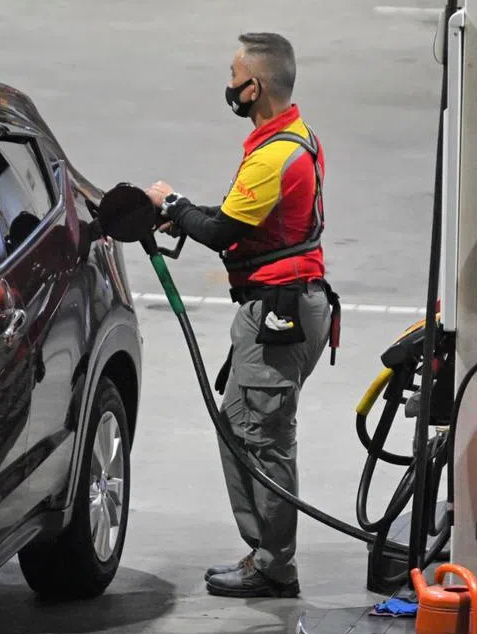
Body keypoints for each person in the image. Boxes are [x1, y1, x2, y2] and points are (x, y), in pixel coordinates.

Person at [144, 32, 339, 599]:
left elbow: (224, 231)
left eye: (233, 75)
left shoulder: (274, 156)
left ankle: (275, 565)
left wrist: (174, 206)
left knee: (264, 436)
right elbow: (238, 220)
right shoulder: (294, 137)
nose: (228, 85)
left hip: (279, 313)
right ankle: (264, 552)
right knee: (240, 424)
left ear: (254, 86)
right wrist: (182, 216)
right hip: (289, 305)